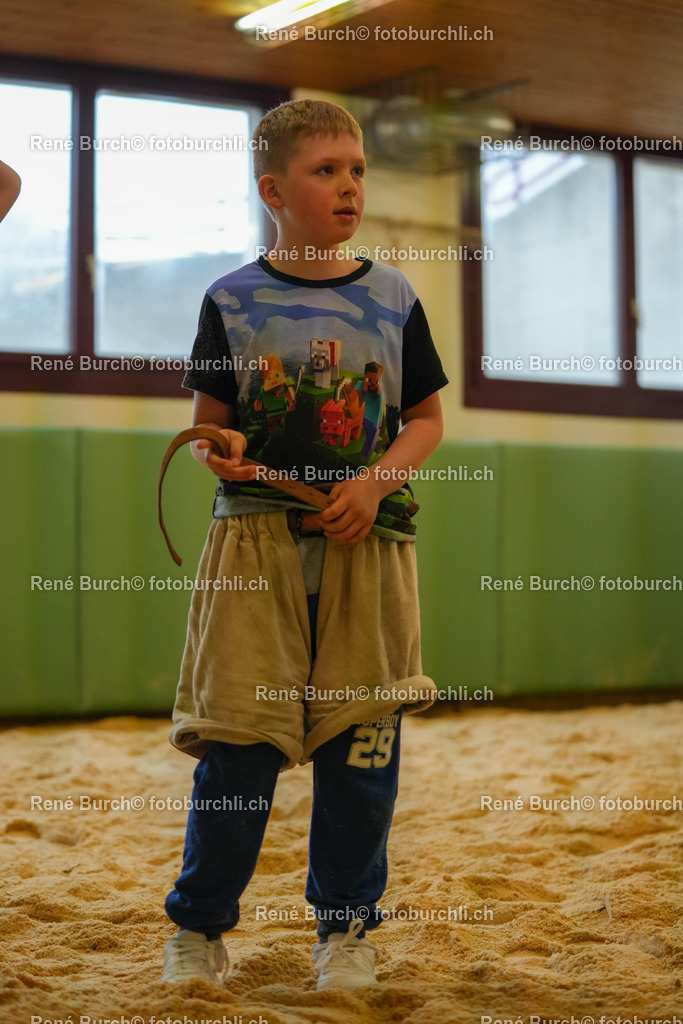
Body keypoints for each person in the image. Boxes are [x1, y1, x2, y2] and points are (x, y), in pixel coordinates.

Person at [162, 98, 448, 992]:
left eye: (357, 169)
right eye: (327, 171)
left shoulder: (395, 294)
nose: (349, 186)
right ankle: (200, 930)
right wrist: (225, 448)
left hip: (370, 552)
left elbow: (426, 421)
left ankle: (347, 932)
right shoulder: (229, 298)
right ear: (273, 190)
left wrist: (373, 482)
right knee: (238, 748)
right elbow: (209, 427)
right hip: (253, 549)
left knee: (361, 749)